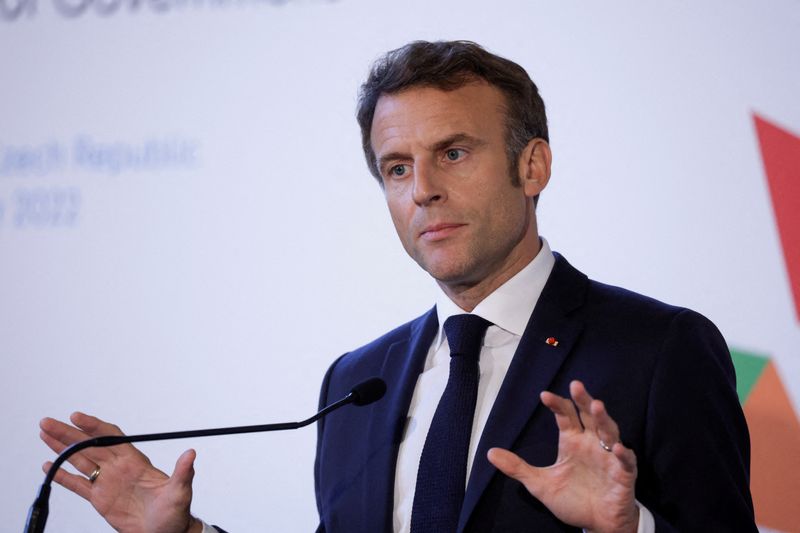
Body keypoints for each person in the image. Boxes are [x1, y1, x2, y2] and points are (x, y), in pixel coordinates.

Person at [39, 40, 756, 533]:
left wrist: (629, 527)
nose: (424, 192)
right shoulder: (358, 382)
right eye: (397, 167)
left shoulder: (659, 349)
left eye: (453, 152)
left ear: (532, 167)